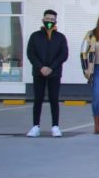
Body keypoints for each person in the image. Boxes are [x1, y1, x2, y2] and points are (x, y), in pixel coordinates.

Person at [25, 9, 69, 137]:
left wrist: (51, 67)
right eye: (47, 19)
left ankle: (55, 126)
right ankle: (35, 126)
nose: (49, 21)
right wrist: (40, 67)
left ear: (55, 21)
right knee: (38, 99)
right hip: (39, 73)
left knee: (54, 99)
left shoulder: (60, 37)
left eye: (52, 19)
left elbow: (63, 55)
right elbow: (30, 53)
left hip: (54, 73)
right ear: (43, 20)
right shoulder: (35, 36)